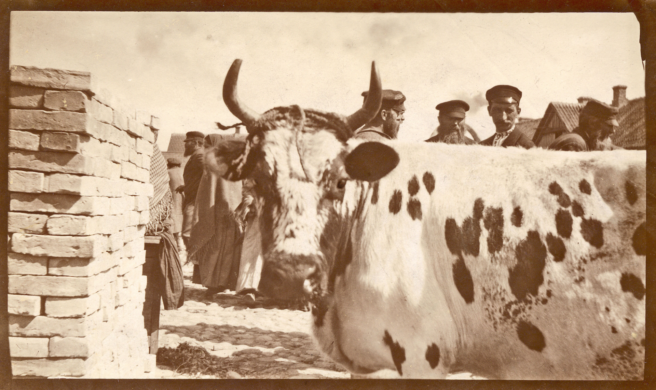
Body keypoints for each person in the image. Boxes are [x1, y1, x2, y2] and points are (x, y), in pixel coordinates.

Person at [187, 134, 244, 295]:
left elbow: (208, 192)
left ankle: (214, 283)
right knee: (227, 250)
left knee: (215, 250)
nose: (204, 148)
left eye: (207, 145)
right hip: (232, 213)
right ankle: (223, 282)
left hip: (216, 214)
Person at [549, 99, 620, 151]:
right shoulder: (574, 144)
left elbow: (611, 147)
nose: (613, 131)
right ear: (592, 123)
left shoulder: (589, 141)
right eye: (610, 126)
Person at [234, 178, 263, 298]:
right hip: (257, 216)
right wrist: (250, 203)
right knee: (252, 251)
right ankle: (248, 287)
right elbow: (246, 190)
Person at [167, 157, 185, 252]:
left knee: (174, 217)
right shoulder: (183, 171)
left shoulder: (168, 172)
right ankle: (181, 244)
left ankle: (178, 244)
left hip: (174, 198)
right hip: (184, 197)